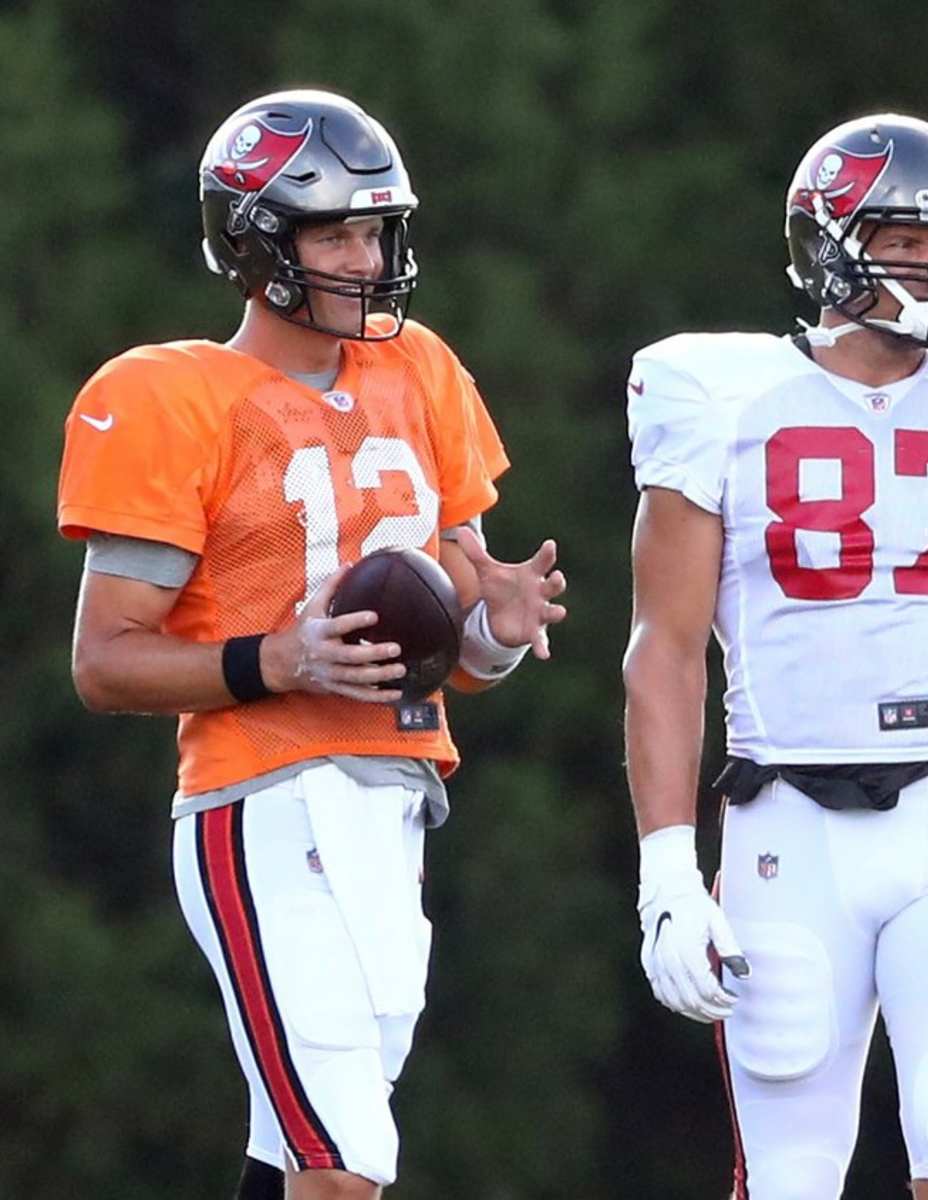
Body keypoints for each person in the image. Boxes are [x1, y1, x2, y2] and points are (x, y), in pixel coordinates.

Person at [58, 89, 566, 1200]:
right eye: (336, 229)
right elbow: (104, 662)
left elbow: (459, 658)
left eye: (376, 228)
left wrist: (499, 626)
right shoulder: (171, 395)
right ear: (259, 243)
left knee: (300, 1154)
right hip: (265, 801)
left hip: (396, 800)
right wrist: (274, 661)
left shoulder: (418, 369)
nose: (367, 254)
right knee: (344, 1164)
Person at [622, 113, 928, 1200]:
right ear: (831, 243)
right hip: (785, 825)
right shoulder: (716, 394)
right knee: (792, 1180)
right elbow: (663, 653)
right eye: (906, 241)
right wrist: (666, 870)